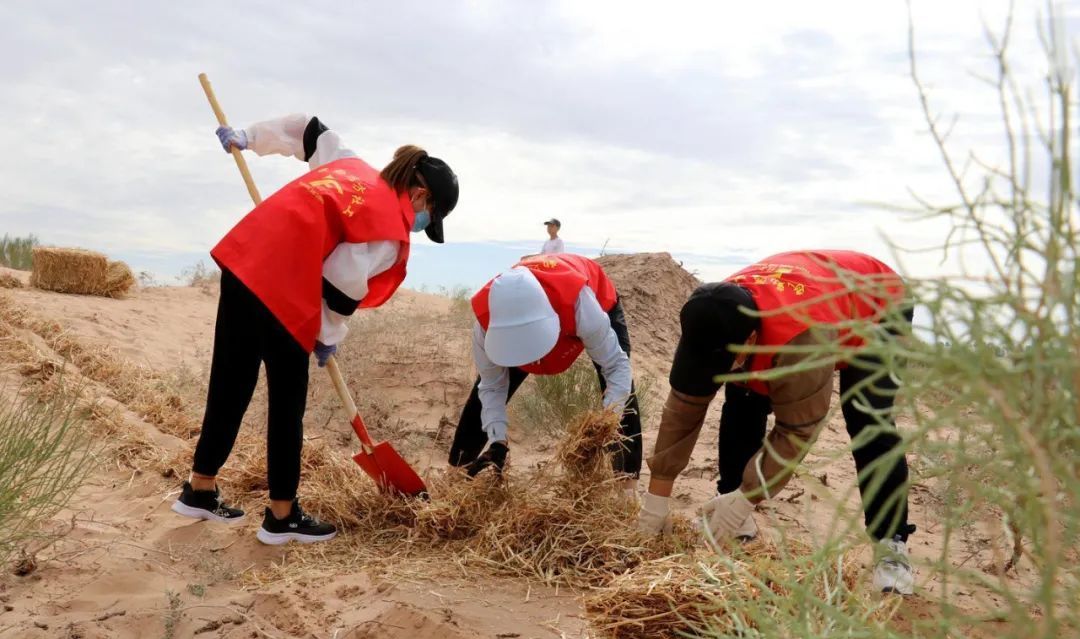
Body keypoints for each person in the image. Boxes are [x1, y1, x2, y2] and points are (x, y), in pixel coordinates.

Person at [171, 114, 459, 545]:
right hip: (283, 292)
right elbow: (341, 285)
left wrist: (250, 137)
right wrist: (327, 336)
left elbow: (308, 130)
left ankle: (200, 488)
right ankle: (281, 517)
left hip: (246, 263)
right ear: (420, 194)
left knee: (231, 383)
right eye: (428, 214)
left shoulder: (351, 166)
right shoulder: (388, 230)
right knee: (287, 405)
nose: (420, 223)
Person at [635, 249, 917, 594]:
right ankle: (734, 516)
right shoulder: (710, 316)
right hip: (804, 302)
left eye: (727, 359)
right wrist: (657, 500)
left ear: (752, 340)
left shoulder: (804, 338)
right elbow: (682, 409)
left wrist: (747, 497)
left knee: (866, 418)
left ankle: (892, 545)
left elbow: (797, 430)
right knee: (743, 398)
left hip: (876, 306)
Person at [448, 253, 641, 485]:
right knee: (482, 391)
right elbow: (491, 386)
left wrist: (607, 423)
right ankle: (458, 472)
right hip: (535, 306)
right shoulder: (486, 323)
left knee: (622, 391)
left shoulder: (581, 304)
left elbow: (616, 367)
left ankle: (626, 481)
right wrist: (498, 439)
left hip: (593, 296)